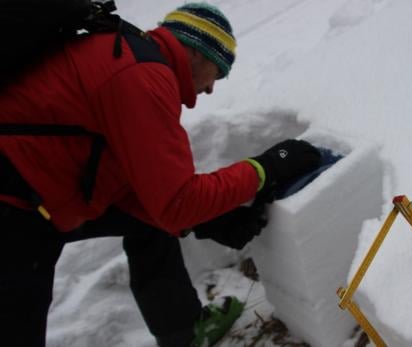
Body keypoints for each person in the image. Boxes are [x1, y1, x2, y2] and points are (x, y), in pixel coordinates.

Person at [0, 2, 321, 347]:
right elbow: (177, 202)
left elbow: (132, 185)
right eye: (219, 72)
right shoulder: (141, 76)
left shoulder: (128, 56)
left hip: (45, 190)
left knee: (150, 224)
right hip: (14, 208)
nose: (212, 88)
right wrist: (266, 167)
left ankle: (184, 333)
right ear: (197, 54)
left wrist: (207, 220)